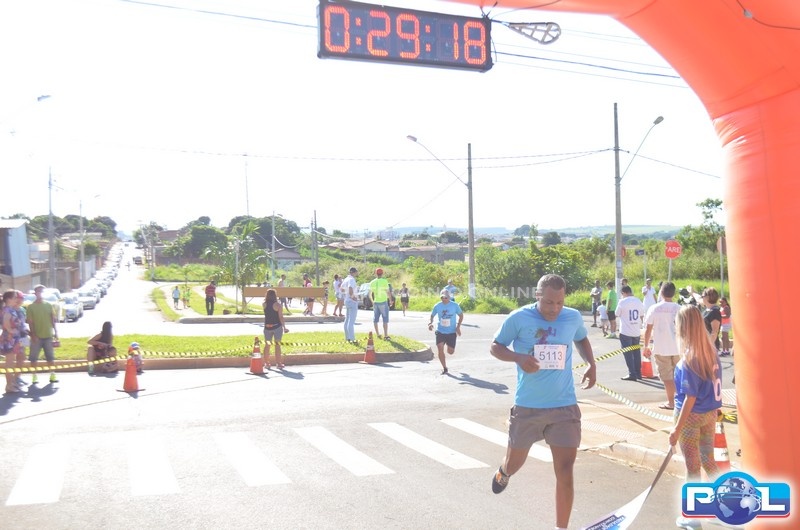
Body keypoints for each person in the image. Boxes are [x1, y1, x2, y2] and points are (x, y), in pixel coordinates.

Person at [489, 274, 596, 530]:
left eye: (559, 302)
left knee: (566, 470)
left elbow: (581, 338)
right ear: (537, 296)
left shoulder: (572, 317)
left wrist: (591, 363)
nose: (554, 309)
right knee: (515, 463)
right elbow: (495, 346)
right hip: (528, 407)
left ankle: (561, 527)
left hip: (564, 407)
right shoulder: (519, 318)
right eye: (548, 302)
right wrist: (518, 358)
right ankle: (504, 471)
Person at [670, 304, 723, 530]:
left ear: (682, 327)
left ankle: (693, 516)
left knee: (692, 466)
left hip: (690, 418)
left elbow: (689, 398)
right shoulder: (712, 353)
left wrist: (676, 429)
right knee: (709, 461)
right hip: (710, 414)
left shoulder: (689, 359)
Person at [643, 281, 681, 409]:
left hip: (661, 347)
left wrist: (646, 346)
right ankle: (681, 401)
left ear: (661, 292)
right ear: (674, 293)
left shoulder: (654, 308)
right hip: (678, 347)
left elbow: (648, 329)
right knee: (679, 375)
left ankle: (671, 402)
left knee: (667, 377)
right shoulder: (679, 308)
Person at [26, 284, 58, 384]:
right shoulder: (31, 307)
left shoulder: (48, 305)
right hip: (36, 337)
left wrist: (56, 332)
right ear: (35, 293)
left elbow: (52, 320)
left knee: (50, 357)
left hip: (48, 335)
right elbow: (30, 322)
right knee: (34, 358)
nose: (40, 293)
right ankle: (34, 376)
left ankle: (52, 375)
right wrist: (33, 335)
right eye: (38, 291)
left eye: (42, 291)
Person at [428, 288, 464, 374]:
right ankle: (444, 368)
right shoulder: (437, 306)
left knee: (450, 352)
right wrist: (430, 323)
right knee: (440, 348)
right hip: (440, 331)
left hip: (451, 332)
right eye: (442, 297)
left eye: (445, 297)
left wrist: (458, 327)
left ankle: (448, 344)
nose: (444, 299)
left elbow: (461, 315)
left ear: (449, 297)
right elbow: (432, 315)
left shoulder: (455, 305)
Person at [2, 290, 28, 393]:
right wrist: (10, 330)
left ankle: (12, 383)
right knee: (9, 363)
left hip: (14, 338)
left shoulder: (11, 309)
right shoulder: (7, 310)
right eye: (14, 298)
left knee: (12, 362)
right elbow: (5, 321)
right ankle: (9, 385)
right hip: (10, 338)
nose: (16, 299)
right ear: (8, 299)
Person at [616, 285, 645, 380]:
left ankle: (632, 374)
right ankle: (638, 373)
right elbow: (641, 315)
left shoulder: (622, 302)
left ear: (623, 293)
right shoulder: (638, 301)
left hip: (625, 331)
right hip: (636, 331)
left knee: (628, 354)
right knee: (636, 353)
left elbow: (617, 313)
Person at [262, 288, 289, 369]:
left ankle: (267, 363)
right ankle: (278, 363)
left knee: (267, 345)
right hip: (277, 326)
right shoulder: (278, 305)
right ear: (275, 295)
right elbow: (281, 317)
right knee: (277, 345)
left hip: (267, 327)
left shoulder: (264, 304)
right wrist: (284, 327)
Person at [370, 268, 392, 339]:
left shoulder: (372, 282)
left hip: (376, 302)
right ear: (382, 274)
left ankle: (378, 334)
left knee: (375, 319)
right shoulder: (384, 281)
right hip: (383, 302)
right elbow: (388, 292)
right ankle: (385, 335)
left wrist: (373, 302)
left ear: (375, 274)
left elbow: (370, 294)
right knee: (385, 319)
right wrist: (390, 300)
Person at [701, 287, 722, 353]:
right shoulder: (707, 310)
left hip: (710, 345)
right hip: (704, 343)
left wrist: (708, 346)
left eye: (702, 296)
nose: (702, 298)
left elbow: (714, 332)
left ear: (707, 297)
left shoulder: (714, 312)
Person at [342, 267, 359, 342]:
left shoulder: (346, 279)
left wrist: (346, 294)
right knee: (351, 321)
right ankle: (352, 338)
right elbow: (350, 288)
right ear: (354, 272)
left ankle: (347, 337)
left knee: (347, 319)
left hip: (346, 300)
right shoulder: (352, 279)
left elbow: (341, 289)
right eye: (356, 272)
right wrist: (352, 297)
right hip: (351, 301)